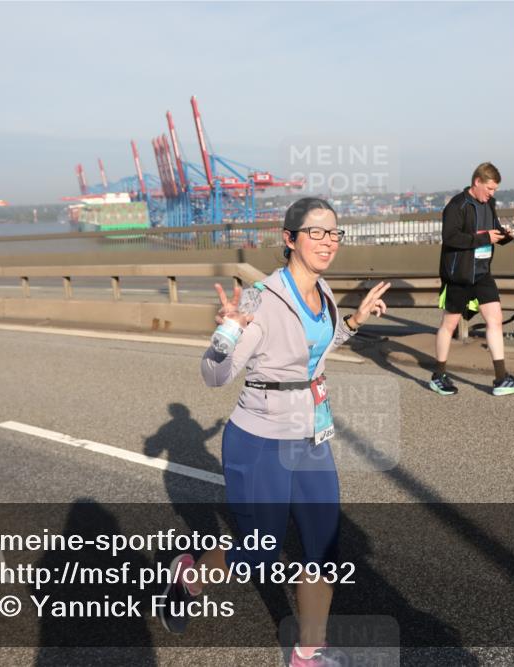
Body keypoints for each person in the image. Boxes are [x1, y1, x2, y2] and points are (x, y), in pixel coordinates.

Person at [160, 198, 390, 666]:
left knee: (323, 547)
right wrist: (226, 333)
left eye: (334, 233)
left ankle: (307, 654)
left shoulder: (323, 291)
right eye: (316, 233)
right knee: (260, 553)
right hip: (260, 440)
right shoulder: (259, 299)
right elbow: (214, 376)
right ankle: (190, 575)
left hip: (312, 436)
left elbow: (313, 350)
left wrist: (354, 322)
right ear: (289, 239)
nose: (328, 242)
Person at [431, 162, 514, 396]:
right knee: (449, 325)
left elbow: (492, 231)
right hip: (459, 275)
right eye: (489, 189)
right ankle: (438, 375)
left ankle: (501, 379)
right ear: (477, 182)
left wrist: (504, 236)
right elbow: (450, 238)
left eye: (495, 190)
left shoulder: (491, 204)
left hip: (483, 273)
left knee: (495, 319)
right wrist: (484, 238)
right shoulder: (457, 205)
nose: (492, 194)